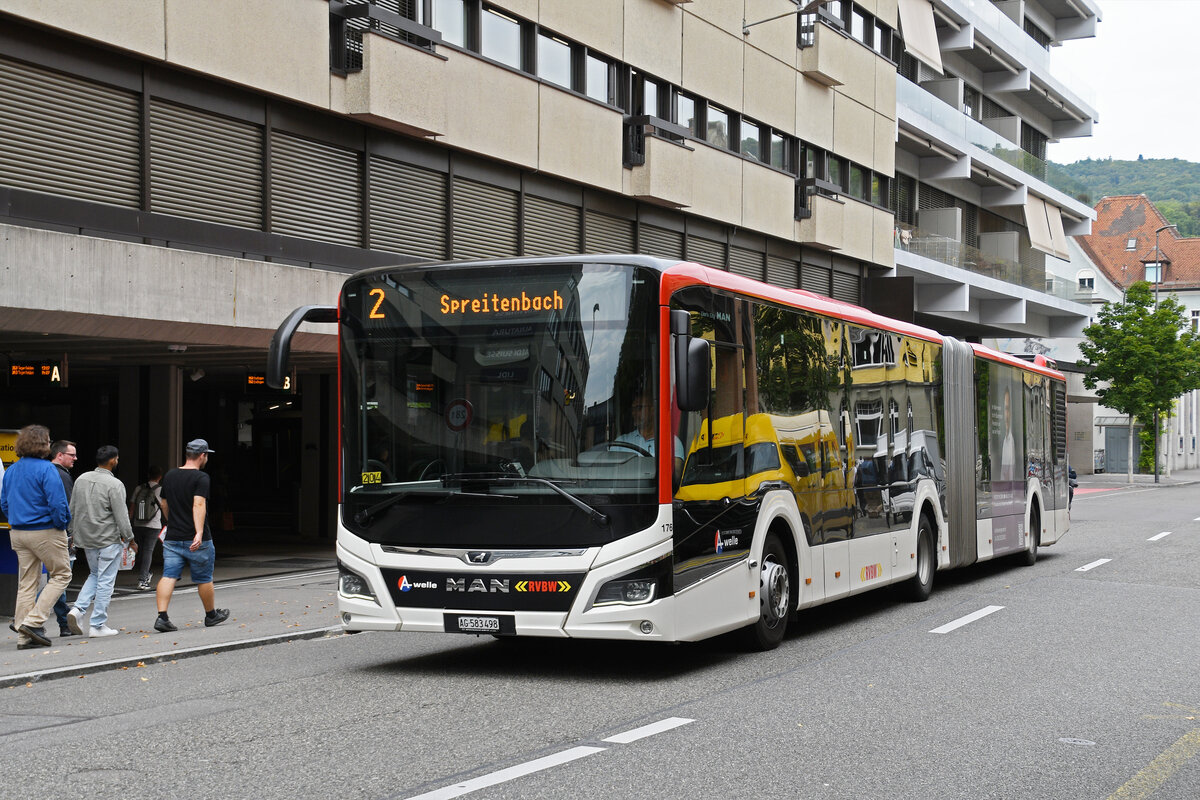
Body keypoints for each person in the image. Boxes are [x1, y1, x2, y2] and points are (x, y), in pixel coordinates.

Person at [0, 425, 72, 650]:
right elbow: (58, 503)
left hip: (18, 532)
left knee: (27, 582)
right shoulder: (47, 469)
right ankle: (33, 622)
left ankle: (24, 636)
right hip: (45, 530)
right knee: (62, 574)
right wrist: (62, 525)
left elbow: (4, 502)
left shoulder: (12, 470)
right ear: (43, 444)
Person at [155, 439, 229, 632]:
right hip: (197, 540)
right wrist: (199, 532)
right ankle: (211, 615)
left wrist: (172, 521)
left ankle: (162, 617)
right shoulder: (201, 478)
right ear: (203, 455)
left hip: (172, 537)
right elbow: (198, 504)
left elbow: (163, 502)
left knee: (169, 575)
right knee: (204, 577)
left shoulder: (170, 475)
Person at [66, 445, 134, 638]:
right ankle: (97, 624)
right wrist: (130, 538)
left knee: (95, 574)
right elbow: (122, 516)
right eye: (117, 459)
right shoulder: (115, 484)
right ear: (112, 461)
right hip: (108, 538)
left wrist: (72, 532)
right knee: (106, 581)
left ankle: (78, 609)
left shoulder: (81, 479)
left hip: (86, 538)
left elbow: (72, 509)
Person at [615, 391, 685, 484]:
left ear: (653, 410)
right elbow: (611, 474)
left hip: (656, 496)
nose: (634, 413)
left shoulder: (671, 442)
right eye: (633, 409)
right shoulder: (621, 442)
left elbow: (675, 477)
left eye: (639, 408)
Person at [49, 440, 79, 637]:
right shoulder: (61, 475)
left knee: (40, 579)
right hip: (58, 533)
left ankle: (26, 618)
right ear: (60, 455)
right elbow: (67, 507)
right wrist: (70, 533)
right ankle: (63, 621)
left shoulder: (43, 471)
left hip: (32, 531)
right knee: (61, 578)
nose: (75, 458)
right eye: (72, 455)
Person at [129, 465, 166, 591]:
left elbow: (132, 508)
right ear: (160, 477)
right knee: (148, 551)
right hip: (153, 525)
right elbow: (164, 507)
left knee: (140, 550)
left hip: (138, 524)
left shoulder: (139, 488)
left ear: (148, 475)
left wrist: (129, 523)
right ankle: (142, 580)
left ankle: (146, 573)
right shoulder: (161, 489)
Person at [999, 386, 1016, 483]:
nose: (1006, 414)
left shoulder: (1011, 440)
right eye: (1005, 408)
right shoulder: (1003, 440)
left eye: (1008, 409)